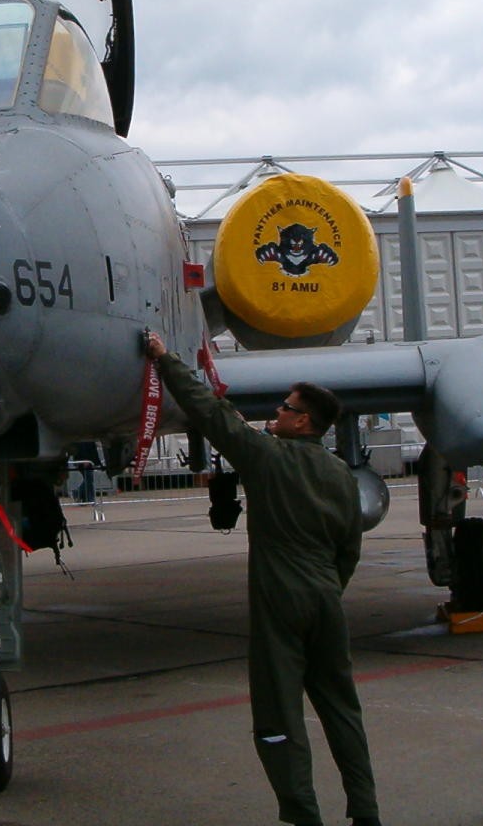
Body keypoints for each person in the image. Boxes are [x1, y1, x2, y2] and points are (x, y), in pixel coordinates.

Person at [143, 330, 382, 826]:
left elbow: (211, 413)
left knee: (278, 716)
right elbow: (349, 548)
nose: (277, 412)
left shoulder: (266, 457)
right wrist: (328, 591)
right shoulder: (341, 475)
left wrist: (165, 360)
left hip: (282, 600)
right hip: (326, 600)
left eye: (286, 407)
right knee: (342, 709)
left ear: (304, 421)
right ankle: (365, 811)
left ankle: (302, 813)